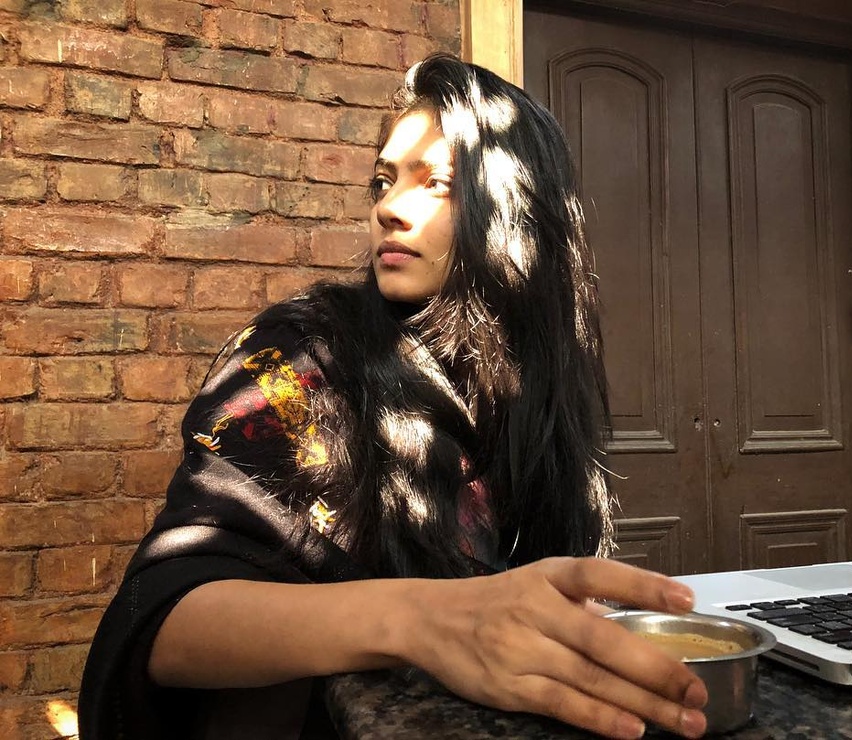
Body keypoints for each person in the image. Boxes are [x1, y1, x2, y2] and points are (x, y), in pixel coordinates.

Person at [78, 54, 708, 740]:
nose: (388, 207)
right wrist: (423, 621)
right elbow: (163, 622)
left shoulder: (540, 387)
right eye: (383, 181)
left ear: (519, 212)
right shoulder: (302, 357)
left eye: (436, 183)